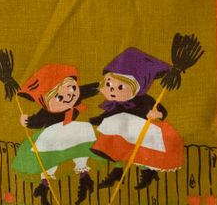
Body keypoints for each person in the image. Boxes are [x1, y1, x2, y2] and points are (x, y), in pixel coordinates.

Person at [90, 48, 184, 190]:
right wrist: (96, 120)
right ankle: (117, 172)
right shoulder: (116, 104)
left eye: (120, 86)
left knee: (139, 153)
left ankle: (148, 173)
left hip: (140, 132)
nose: (112, 90)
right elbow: (109, 114)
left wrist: (157, 114)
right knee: (116, 148)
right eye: (108, 84)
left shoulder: (144, 100)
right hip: (122, 133)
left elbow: (162, 111)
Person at [12, 64, 102, 205]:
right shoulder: (46, 113)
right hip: (52, 135)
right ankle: (45, 185)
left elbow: (87, 90)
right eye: (59, 97)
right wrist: (27, 121)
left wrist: (100, 86)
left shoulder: (76, 97)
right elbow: (36, 121)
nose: (69, 97)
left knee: (80, 143)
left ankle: (84, 176)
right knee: (49, 157)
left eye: (72, 88)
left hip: (70, 132)